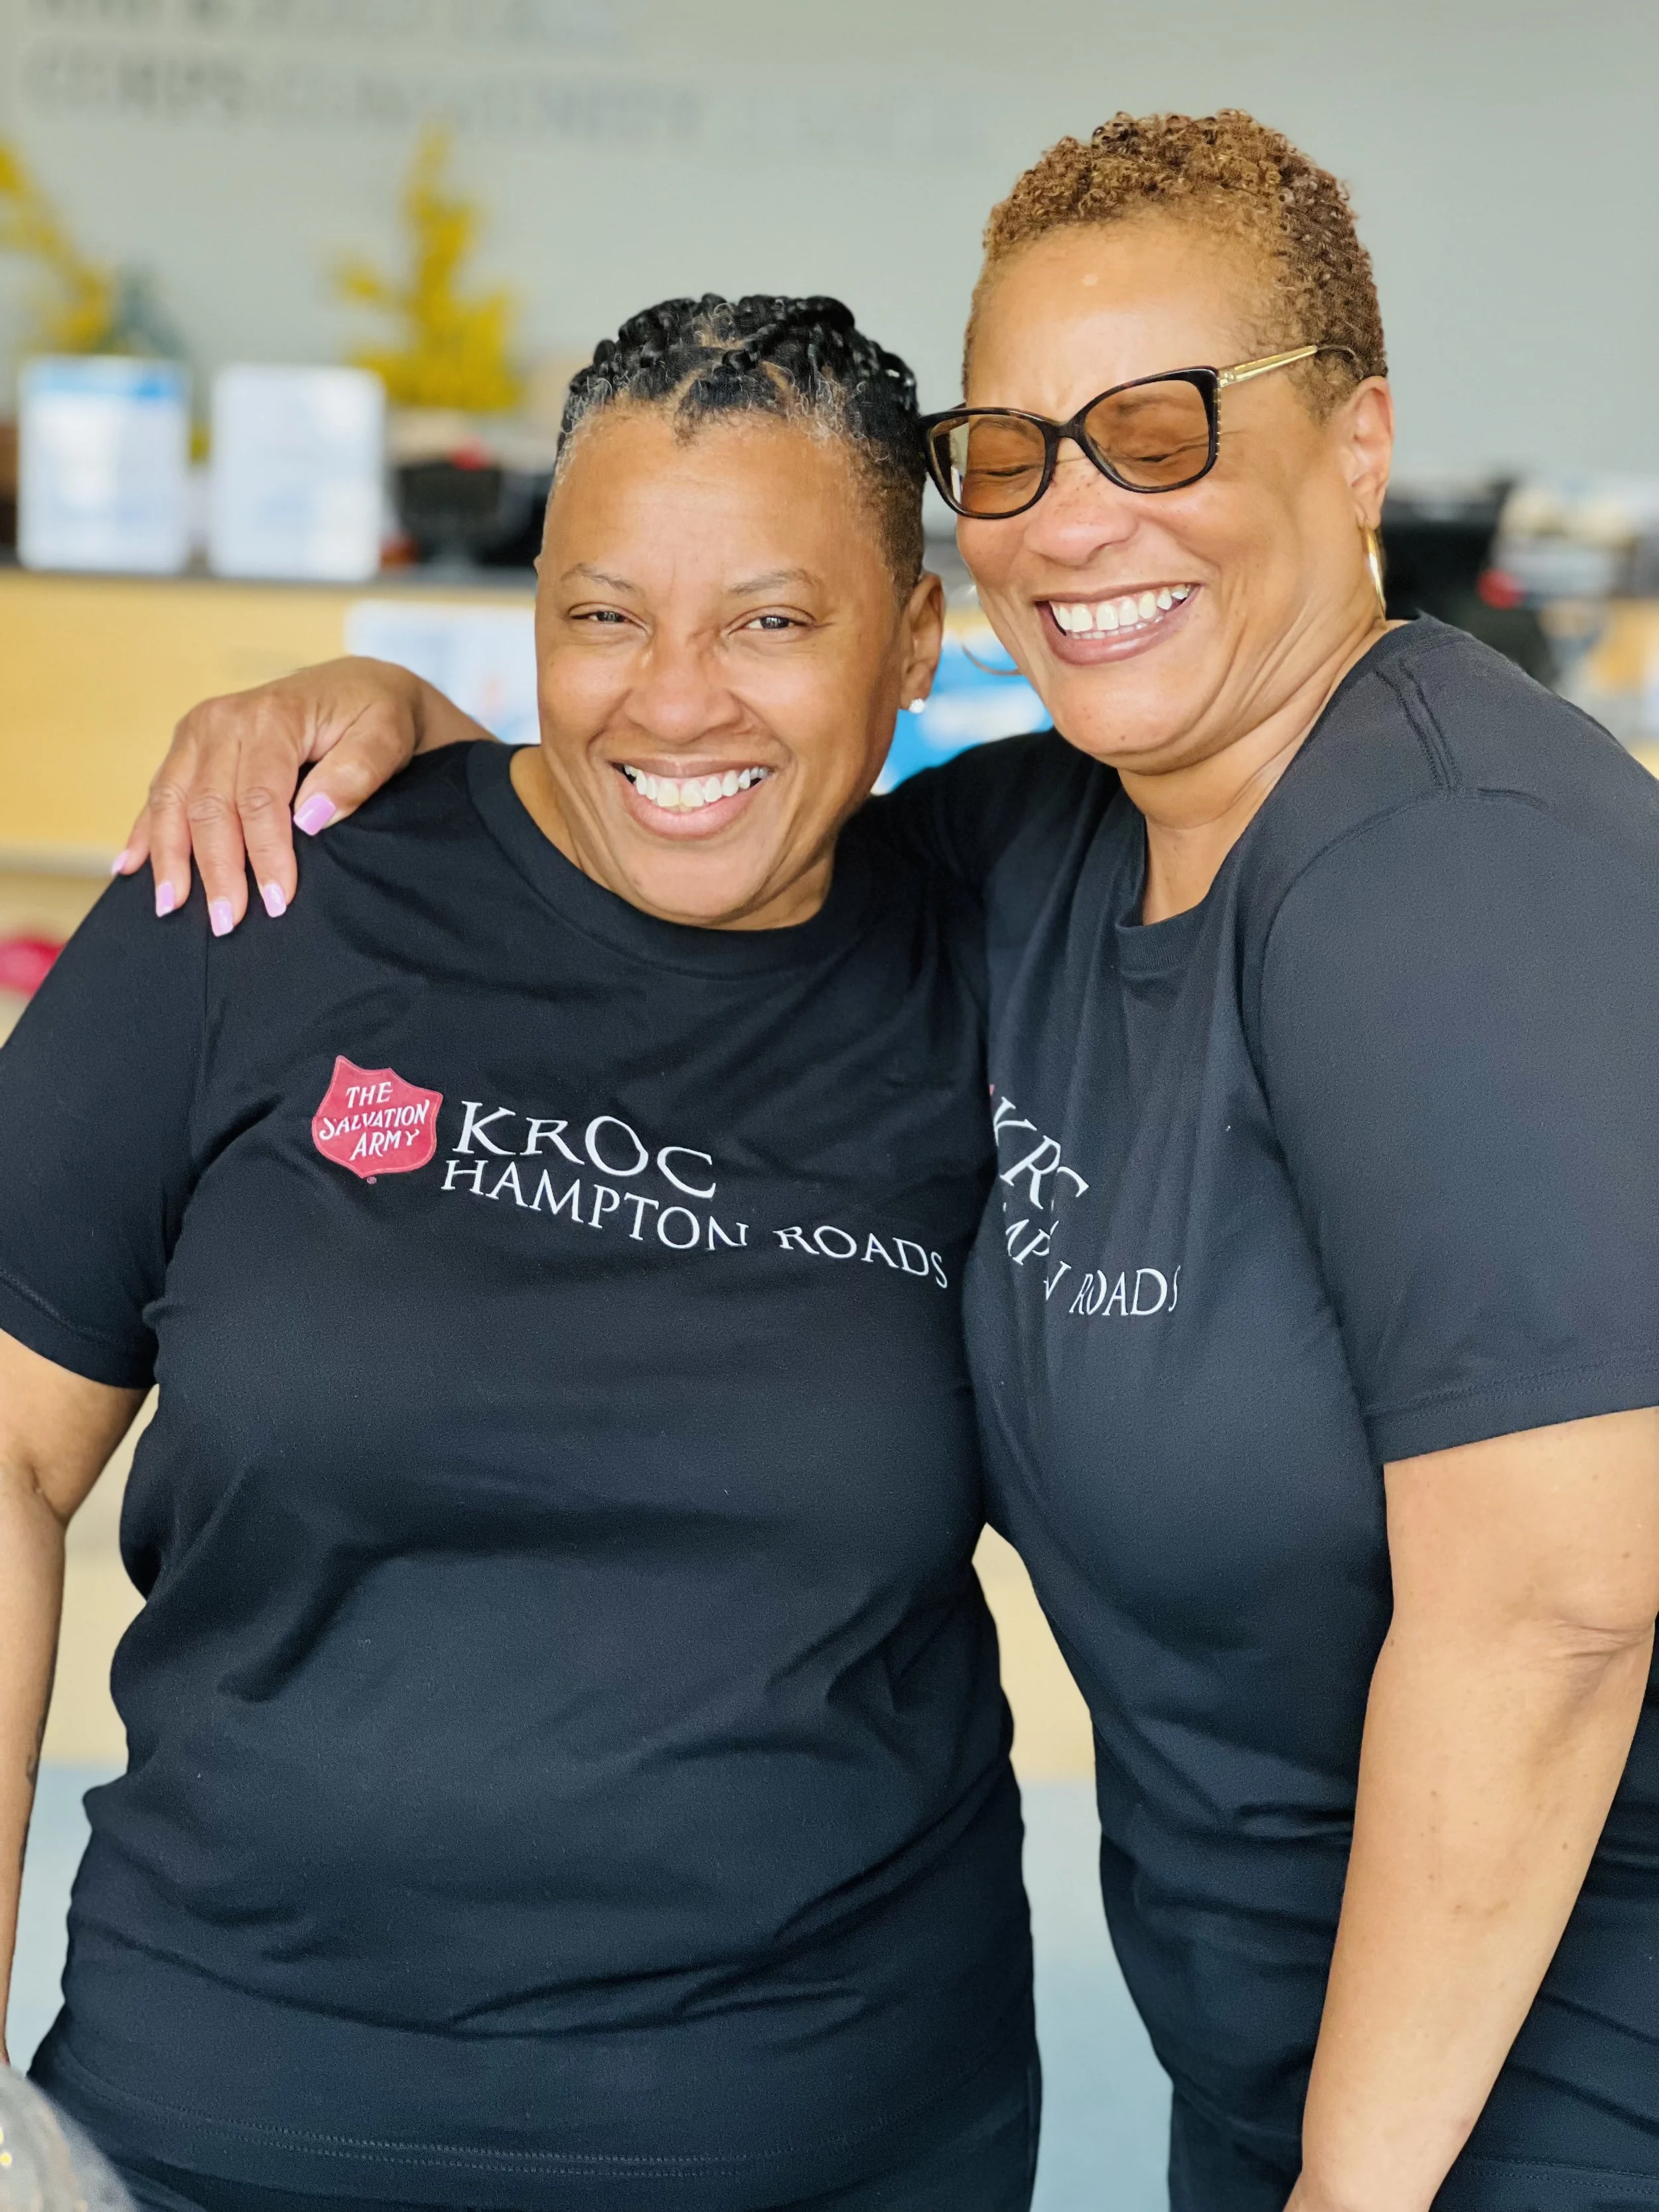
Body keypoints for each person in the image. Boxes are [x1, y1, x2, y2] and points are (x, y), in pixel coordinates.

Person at [113, 112, 1659, 2212]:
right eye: (1008, 451)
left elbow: (1559, 1608)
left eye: (1153, 426)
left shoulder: (1447, 848)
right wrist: (378, 723)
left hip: (1548, 2085)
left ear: (1360, 441)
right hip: (1298, 2067)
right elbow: (686, 795)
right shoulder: (1038, 852)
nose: (1074, 514)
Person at [0, 297, 1043, 2212]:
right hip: (218, 2132)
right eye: (602, 612)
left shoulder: (1002, 957)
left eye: (771, 618)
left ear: (913, 639)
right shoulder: (264, 892)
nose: (673, 696)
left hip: (826, 2141)